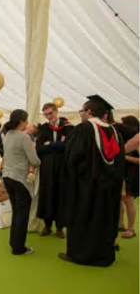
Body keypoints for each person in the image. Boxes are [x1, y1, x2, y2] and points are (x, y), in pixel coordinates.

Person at [59, 95, 125, 267]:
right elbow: (119, 163)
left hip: (86, 188)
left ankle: (80, 254)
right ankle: (103, 255)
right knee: (104, 219)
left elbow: (72, 158)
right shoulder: (115, 133)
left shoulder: (84, 129)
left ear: (89, 111)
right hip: (108, 188)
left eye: (83, 110)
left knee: (83, 218)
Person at [2, 109, 41, 255]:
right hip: (20, 179)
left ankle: (14, 243)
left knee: (16, 212)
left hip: (7, 176)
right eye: (26, 120)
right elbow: (34, 160)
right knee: (22, 214)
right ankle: (18, 247)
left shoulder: (7, 135)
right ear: (21, 122)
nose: (28, 123)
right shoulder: (24, 138)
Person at [36, 103, 74, 238]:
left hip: (63, 168)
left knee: (61, 195)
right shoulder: (43, 128)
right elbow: (39, 148)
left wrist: (50, 144)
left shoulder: (68, 127)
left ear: (56, 111)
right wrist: (58, 146)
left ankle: (59, 227)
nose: (49, 117)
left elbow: (69, 146)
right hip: (47, 168)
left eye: (50, 113)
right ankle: (47, 225)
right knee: (47, 194)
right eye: (46, 114)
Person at [118, 116, 139, 239]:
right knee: (120, 198)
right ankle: (121, 223)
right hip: (123, 173)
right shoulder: (127, 139)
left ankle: (131, 228)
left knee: (128, 200)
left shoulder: (136, 140)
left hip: (132, 174)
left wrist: (125, 157)